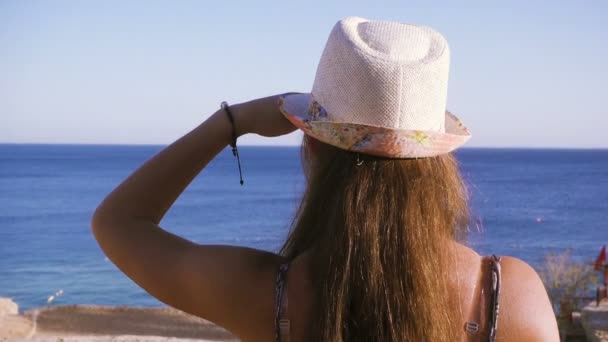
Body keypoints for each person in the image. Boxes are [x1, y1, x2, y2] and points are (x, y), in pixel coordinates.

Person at [92, 17, 559, 341]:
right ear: (439, 162)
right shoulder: (507, 295)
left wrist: (232, 122)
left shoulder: (264, 296)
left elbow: (118, 222)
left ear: (311, 146)